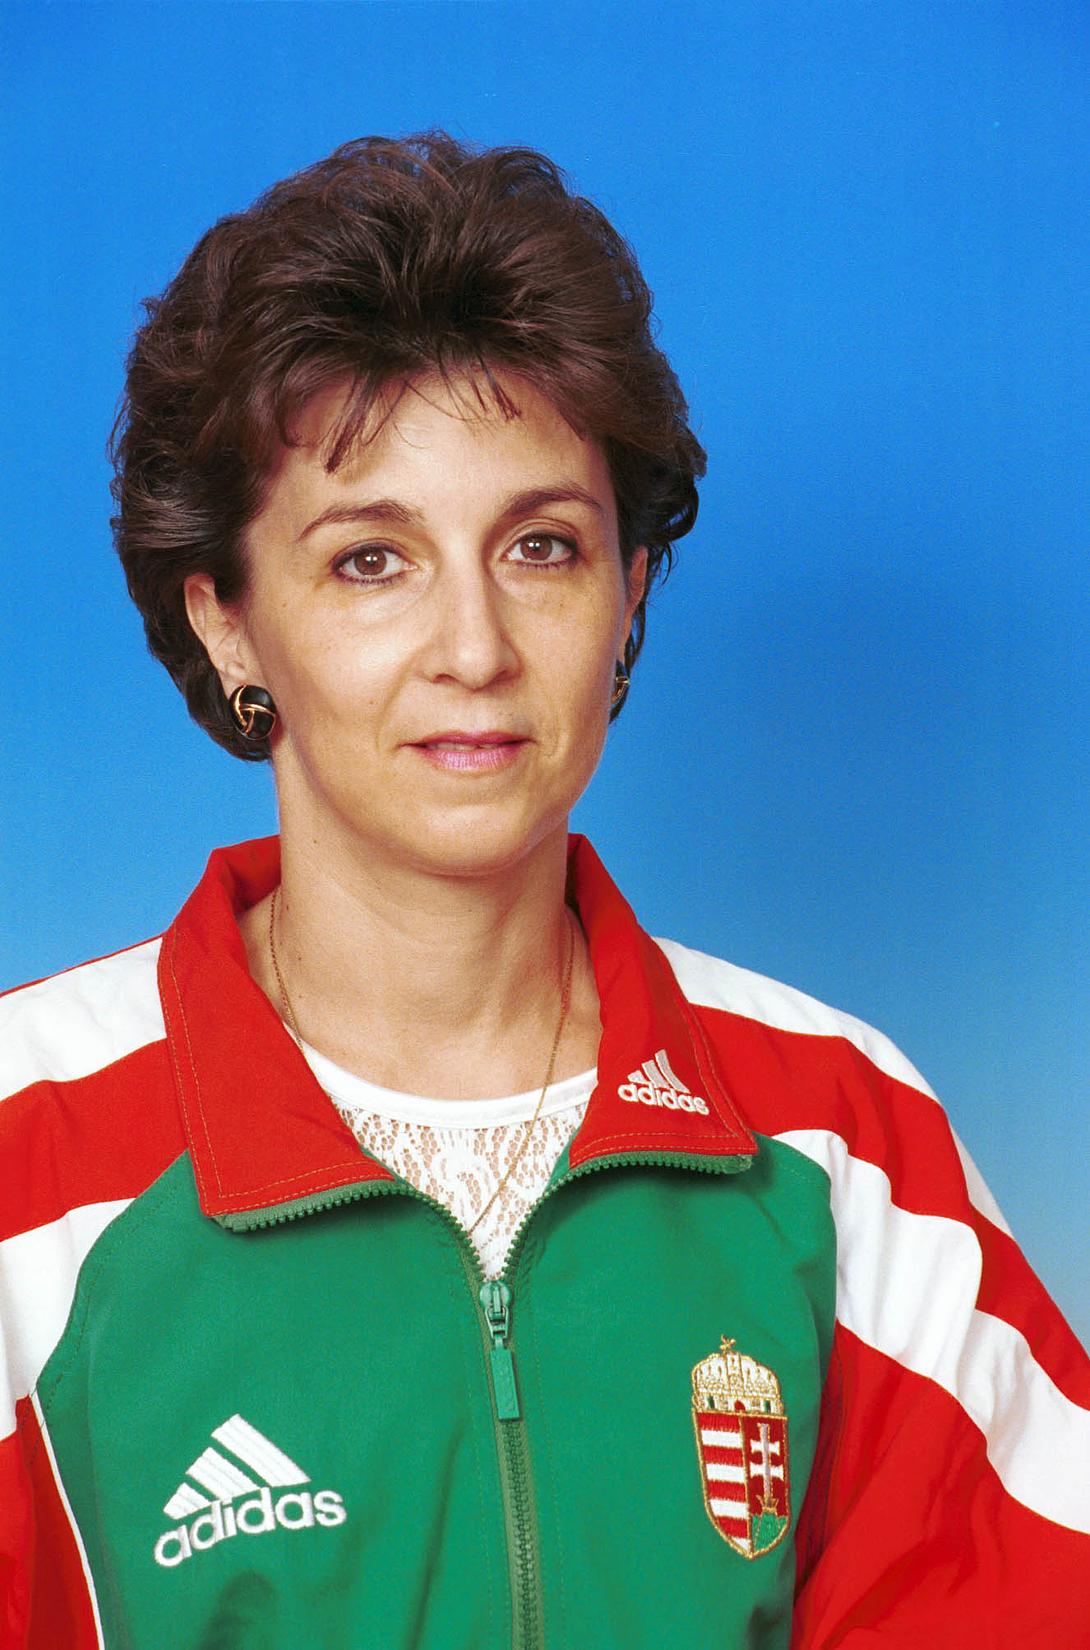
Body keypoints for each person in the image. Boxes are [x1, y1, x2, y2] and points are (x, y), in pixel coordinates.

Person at [1, 132, 1087, 1650]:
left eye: (540, 547)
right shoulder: (29, 1155)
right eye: (370, 560)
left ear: (627, 595)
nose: (475, 647)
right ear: (229, 621)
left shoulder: (847, 1141)